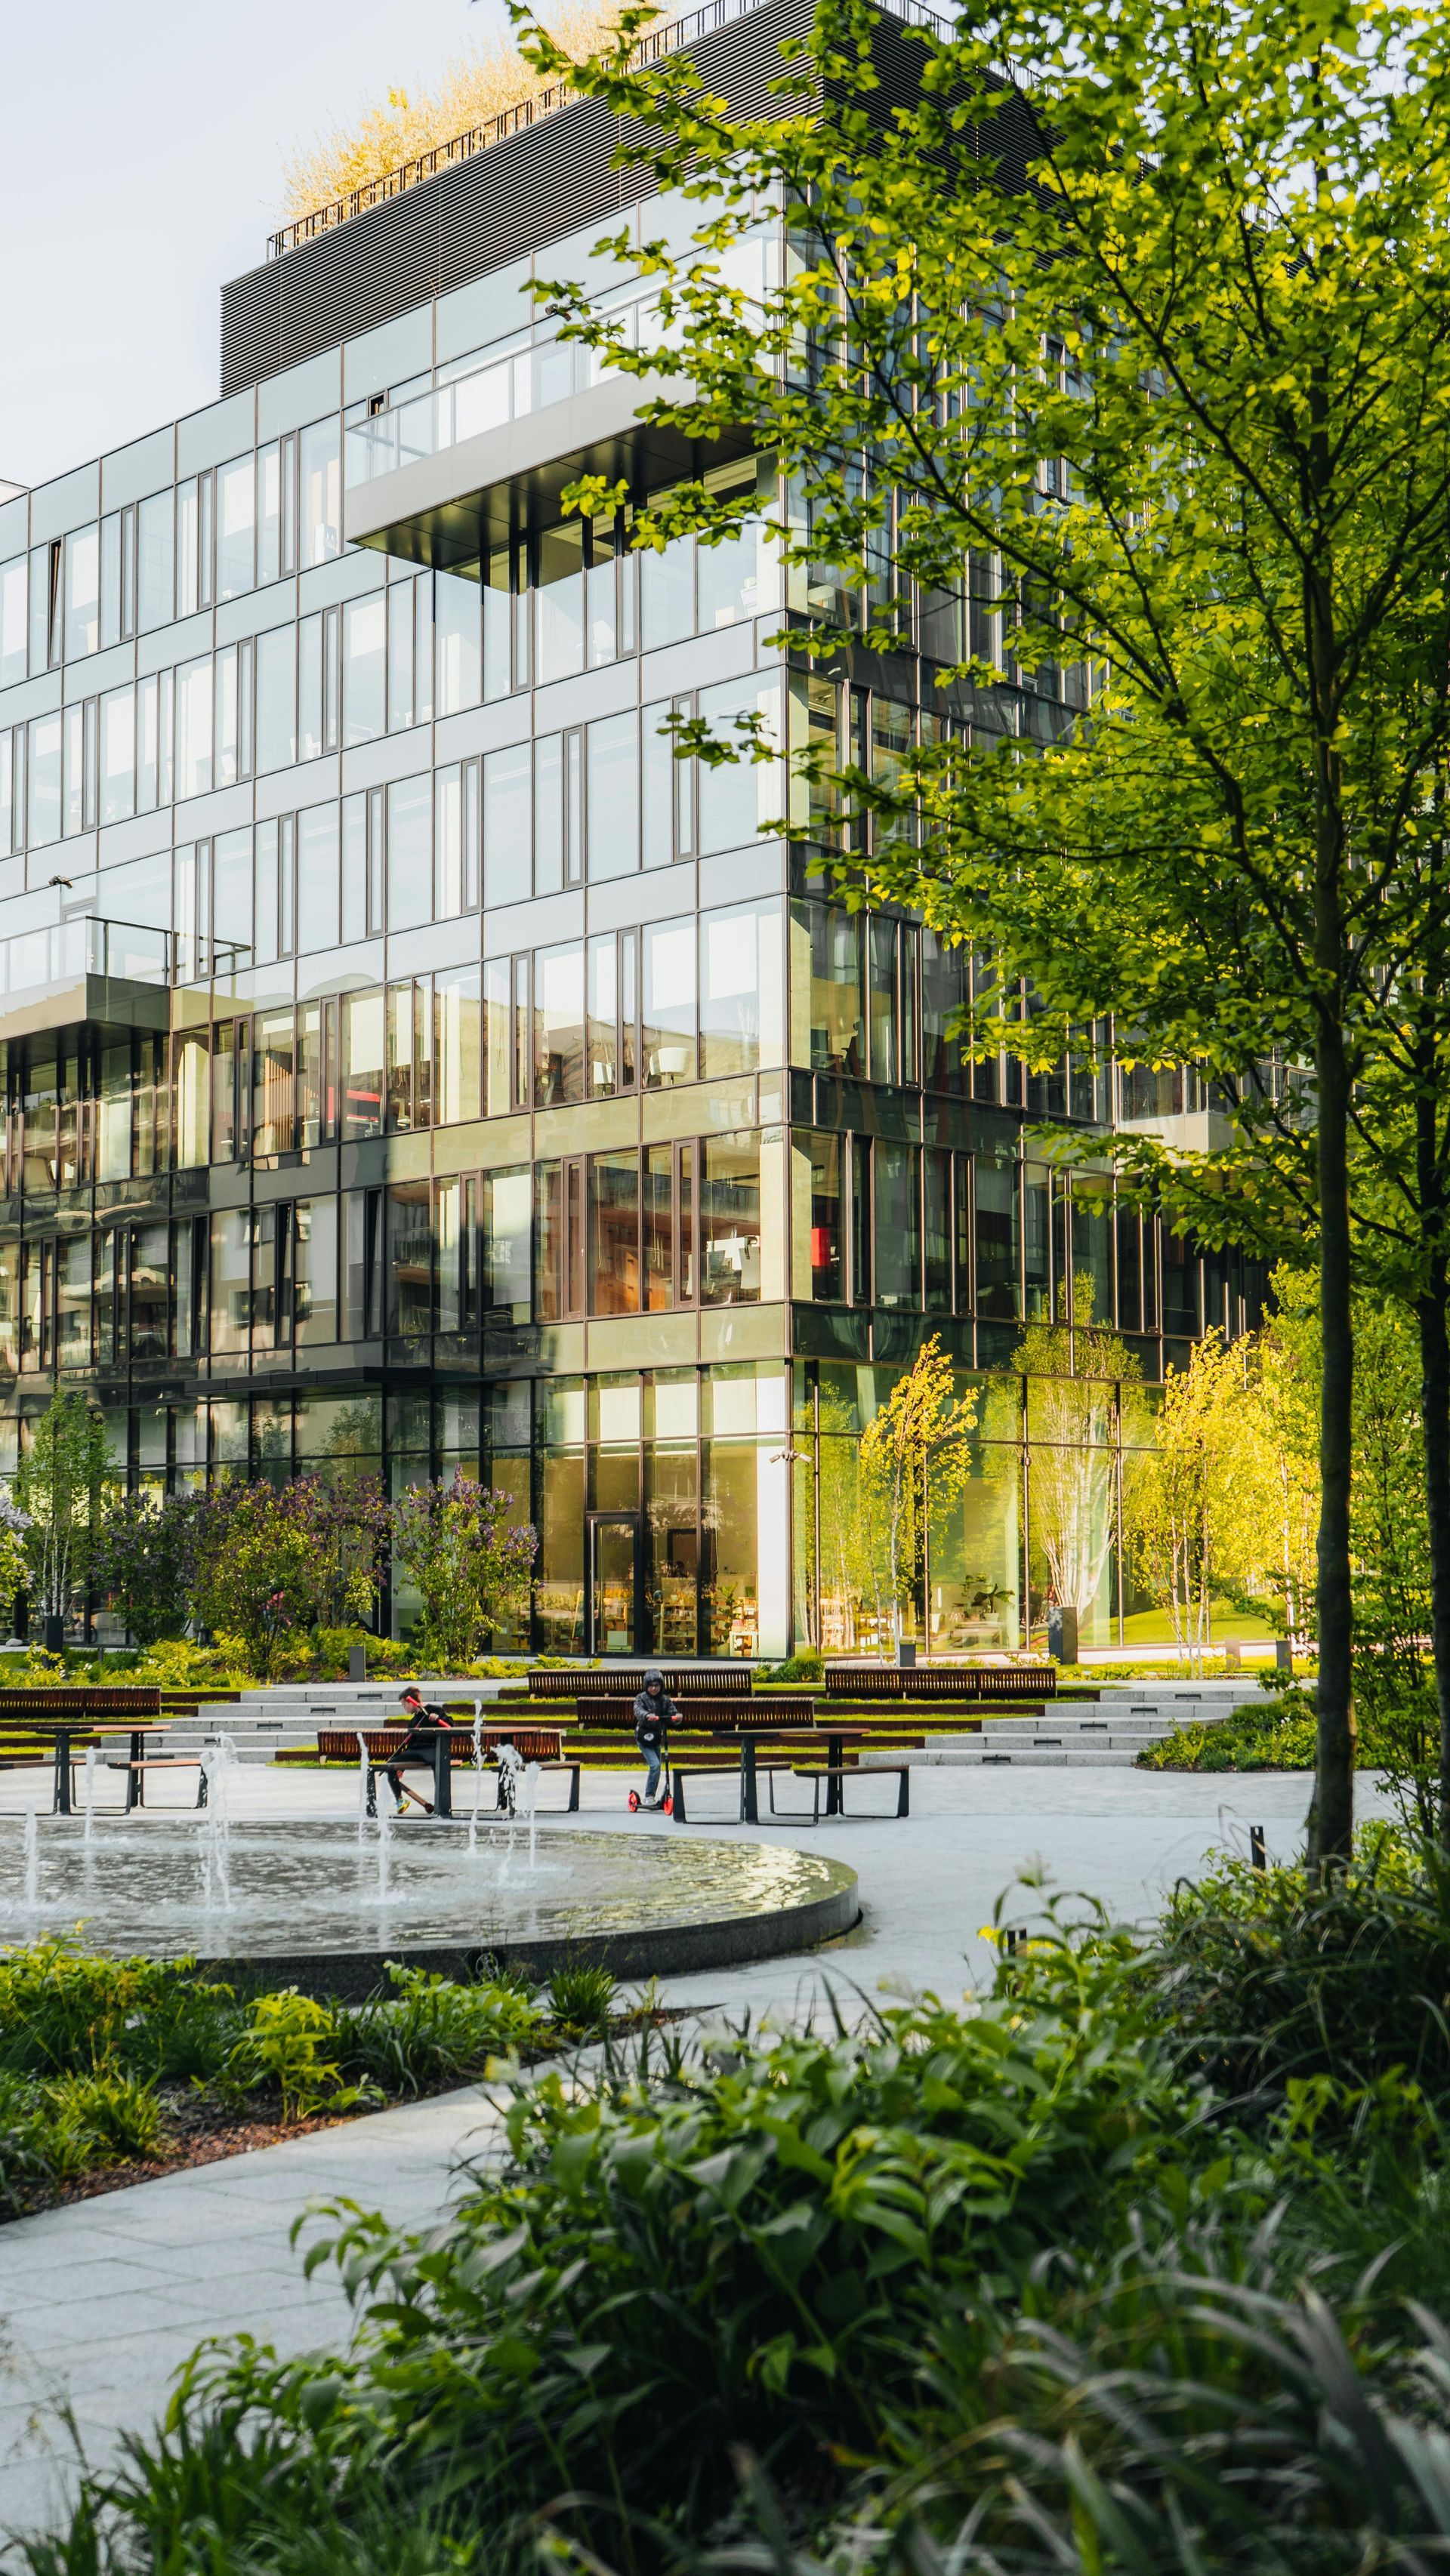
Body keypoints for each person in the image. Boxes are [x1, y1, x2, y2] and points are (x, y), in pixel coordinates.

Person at [385, 1684, 454, 1814]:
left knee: (438, 1763)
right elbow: (410, 1745)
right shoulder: (413, 1721)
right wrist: (401, 1766)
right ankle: (400, 1800)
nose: (404, 1708)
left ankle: (441, 1804)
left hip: (433, 1749)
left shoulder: (434, 1710)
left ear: (411, 1701)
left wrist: (439, 1719)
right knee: (390, 1765)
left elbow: (450, 1725)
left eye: (404, 1704)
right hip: (417, 1751)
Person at [632, 1670, 677, 1810]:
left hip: (656, 1737)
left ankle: (653, 1795)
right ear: (646, 1686)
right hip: (643, 1737)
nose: (654, 1688)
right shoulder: (641, 1698)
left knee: (658, 1767)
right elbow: (637, 1710)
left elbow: (672, 1713)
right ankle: (648, 1796)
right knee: (655, 1765)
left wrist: (676, 1717)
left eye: (657, 1685)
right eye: (651, 1686)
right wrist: (647, 1715)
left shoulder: (664, 1700)